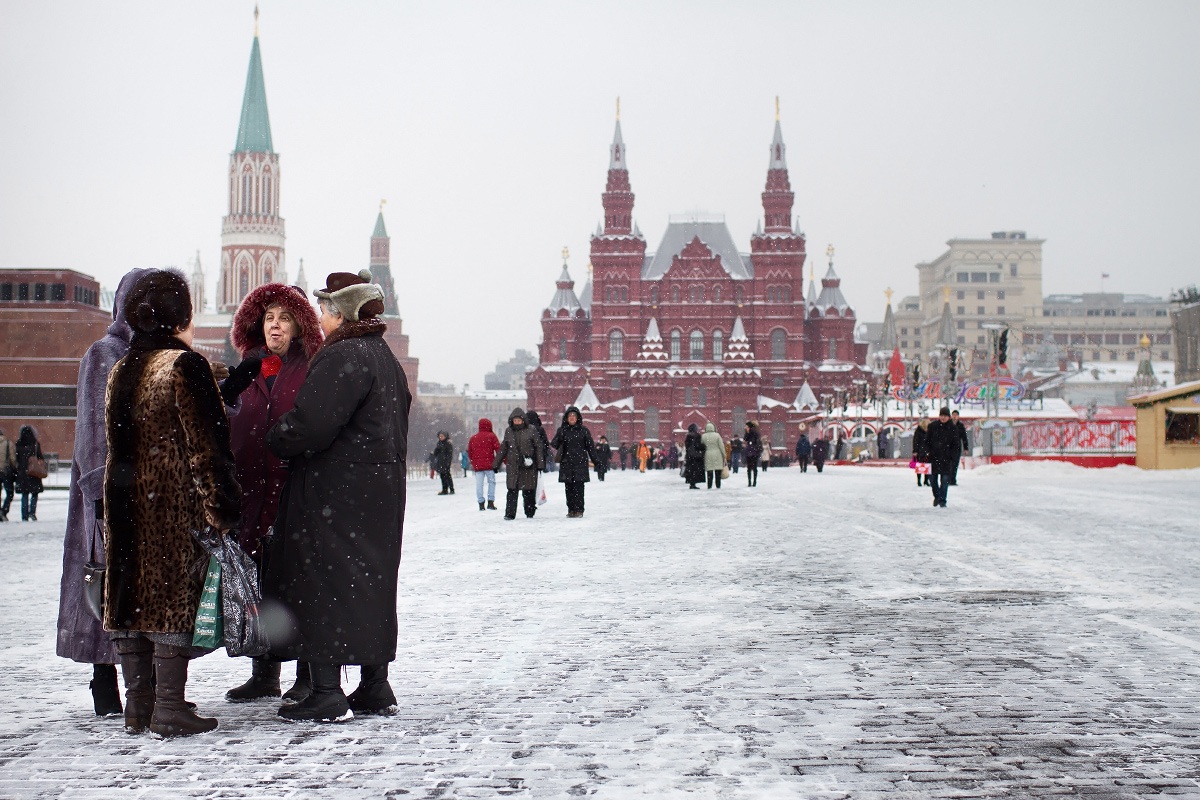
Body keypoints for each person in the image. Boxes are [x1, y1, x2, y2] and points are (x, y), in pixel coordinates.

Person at [264, 269, 411, 722]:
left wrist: (276, 438)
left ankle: (326, 692)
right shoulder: (385, 357)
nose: (320, 319)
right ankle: (374, 684)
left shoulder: (342, 356)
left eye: (325, 310)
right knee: (371, 585)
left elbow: (312, 423)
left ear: (339, 313)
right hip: (381, 493)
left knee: (323, 583)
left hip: (335, 492)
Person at [103, 268, 240, 737]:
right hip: (171, 507)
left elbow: (115, 442)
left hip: (124, 503)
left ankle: (137, 706)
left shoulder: (122, 368)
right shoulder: (184, 367)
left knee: (132, 597)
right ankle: (169, 706)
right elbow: (208, 451)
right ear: (180, 315)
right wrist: (222, 510)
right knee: (169, 599)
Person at [55, 268, 152, 720]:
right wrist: (99, 490)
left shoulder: (155, 354)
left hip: (146, 494)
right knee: (104, 582)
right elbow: (93, 428)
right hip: (109, 493)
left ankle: (141, 685)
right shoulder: (104, 353)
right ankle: (103, 683)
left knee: (136, 588)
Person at [223, 283, 322, 705]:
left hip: (293, 492)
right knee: (258, 584)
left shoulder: (312, 366)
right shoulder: (247, 366)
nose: (275, 325)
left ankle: (306, 673)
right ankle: (264, 673)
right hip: (251, 492)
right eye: (268, 317)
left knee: (298, 583)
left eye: (284, 317)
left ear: (299, 324)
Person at [493, 407, 545, 519]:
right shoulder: (509, 431)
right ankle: (510, 514)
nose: (516, 422)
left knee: (529, 490)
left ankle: (529, 511)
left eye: (518, 420)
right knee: (512, 490)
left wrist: (540, 464)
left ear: (523, 420)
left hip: (528, 466)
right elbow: (503, 448)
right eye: (514, 420)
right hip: (513, 466)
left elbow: (538, 447)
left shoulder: (531, 430)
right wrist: (496, 464)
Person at [550, 406, 594, 518]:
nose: (572, 418)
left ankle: (579, 510)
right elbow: (554, 444)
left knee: (579, 488)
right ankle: (571, 510)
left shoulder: (584, 431)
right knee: (568, 488)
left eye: (574, 416)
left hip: (580, 463)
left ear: (578, 418)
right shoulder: (562, 430)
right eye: (570, 416)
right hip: (567, 463)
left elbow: (590, 447)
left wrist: (596, 461)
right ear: (566, 418)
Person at [926, 407, 960, 507]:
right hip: (933, 457)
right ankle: (937, 496)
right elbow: (927, 440)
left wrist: (953, 456)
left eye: (945, 416)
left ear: (948, 417)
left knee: (945, 480)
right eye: (941, 416)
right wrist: (927, 451)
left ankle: (942, 500)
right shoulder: (933, 426)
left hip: (946, 458)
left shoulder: (953, 428)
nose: (943, 418)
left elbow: (956, 444)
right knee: (932, 479)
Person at [468, 418, 501, 510]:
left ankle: (481, 503)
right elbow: (498, 449)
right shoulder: (492, 436)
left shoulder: (473, 438)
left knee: (479, 484)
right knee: (491, 482)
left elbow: (470, 453)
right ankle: (490, 502)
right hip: (490, 465)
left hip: (478, 466)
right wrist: (500, 461)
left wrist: (474, 462)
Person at [14, 425, 44, 521]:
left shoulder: (19, 444)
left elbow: (16, 459)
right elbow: (40, 457)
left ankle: (24, 515)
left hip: (23, 473)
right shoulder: (35, 444)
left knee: (24, 494)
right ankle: (32, 513)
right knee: (34, 493)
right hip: (33, 472)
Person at [701, 422, 726, 489]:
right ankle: (718, 485)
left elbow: (701, 446)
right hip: (717, 454)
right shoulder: (717, 435)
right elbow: (721, 446)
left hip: (708, 454)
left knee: (709, 471)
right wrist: (724, 455)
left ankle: (709, 485)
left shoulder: (703, 436)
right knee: (718, 471)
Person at [950, 411, 970, 485]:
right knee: (949, 464)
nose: (954, 417)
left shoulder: (960, 426)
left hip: (957, 448)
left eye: (956, 415)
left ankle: (953, 480)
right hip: (948, 448)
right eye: (953, 415)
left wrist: (966, 448)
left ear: (958, 416)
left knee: (955, 464)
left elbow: (964, 437)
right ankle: (948, 479)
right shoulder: (948, 424)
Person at [682, 424, 705, 490]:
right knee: (696, 470)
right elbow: (698, 446)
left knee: (691, 470)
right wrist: (703, 447)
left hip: (690, 456)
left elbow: (687, 447)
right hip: (696, 457)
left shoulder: (688, 436)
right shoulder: (697, 436)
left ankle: (692, 483)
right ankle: (693, 483)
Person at [0, 427, 14, 521]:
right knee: (9, 493)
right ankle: (4, 511)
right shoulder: (8, 443)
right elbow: (12, 458)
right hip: (5, 472)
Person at [912, 418, 931, 487]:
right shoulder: (918, 431)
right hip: (920, 451)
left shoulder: (929, 431)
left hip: (927, 451)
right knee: (920, 466)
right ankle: (919, 481)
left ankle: (926, 480)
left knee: (927, 466)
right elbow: (915, 441)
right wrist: (915, 450)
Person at [743, 421, 762, 487]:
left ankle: (752, 482)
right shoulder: (748, 432)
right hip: (750, 451)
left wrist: (749, 433)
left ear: (749, 426)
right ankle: (751, 481)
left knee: (751, 467)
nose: (745, 427)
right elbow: (745, 439)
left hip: (753, 451)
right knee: (752, 467)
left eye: (746, 426)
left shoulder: (754, 432)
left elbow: (756, 439)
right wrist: (747, 432)